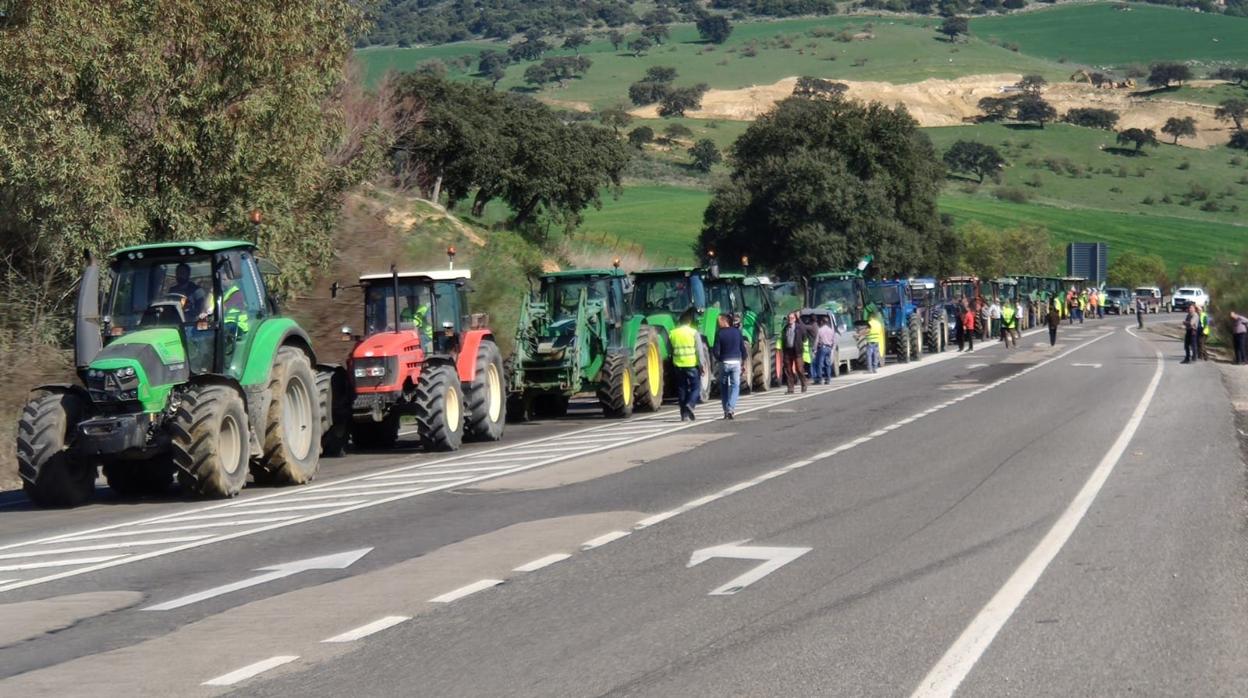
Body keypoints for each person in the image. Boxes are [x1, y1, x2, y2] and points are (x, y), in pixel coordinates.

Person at [712, 314, 748, 419]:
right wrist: (744, 362)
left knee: (723, 387)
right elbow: (742, 348)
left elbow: (715, 350)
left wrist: (719, 359)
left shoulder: (719, 333)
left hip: (724, 362)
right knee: (735, 386)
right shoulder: (737, 332)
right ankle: (730, 408)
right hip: (736, 362)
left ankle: (725, 410)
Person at [671, 310, 703, 421]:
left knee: (682, 389)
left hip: (678, 365)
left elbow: (670, 348)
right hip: (691, 364)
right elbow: (699, 350)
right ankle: (690, 405)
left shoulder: (673, 333)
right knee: (696, 387)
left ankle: (684, 415)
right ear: (689, 321)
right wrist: (702, 364)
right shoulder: (693, 332)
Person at [781, 312, 812, 393]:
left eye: (792, 318)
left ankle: (804, 384)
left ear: (795, 319)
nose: (790, 320)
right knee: (788, 370)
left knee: (799, 369)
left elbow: (805, 338)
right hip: (787, 351)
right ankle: (790, 388)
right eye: (789, 318)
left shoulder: (799, 328)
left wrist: (800, 344)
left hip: (797, 351)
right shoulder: (785, 328)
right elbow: (783, 339)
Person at [813, 315, 837, 384]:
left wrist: (814, 349)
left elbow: (817, 340)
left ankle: (819, 379)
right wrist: (832, 348)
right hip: (829, 348)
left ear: (822, 322)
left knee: (819, 363)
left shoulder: (820, 330)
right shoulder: (831, 330)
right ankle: (828, 379)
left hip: (822, 348)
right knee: (827, 364)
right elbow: (834, 341)